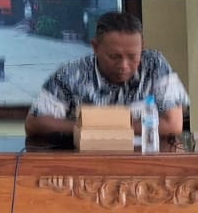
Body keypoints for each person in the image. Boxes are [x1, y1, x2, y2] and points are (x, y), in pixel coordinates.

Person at [25, 10, 188, 140]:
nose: (124, 65)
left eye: (132, 56)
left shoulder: (155, 65)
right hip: (84, 162)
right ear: (95, 47)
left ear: (142, 47)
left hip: (145, 162)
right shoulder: (72, 74)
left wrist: (99, 127)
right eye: (114, 56)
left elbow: (173, 125)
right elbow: (34, 123)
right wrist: (87, 129)